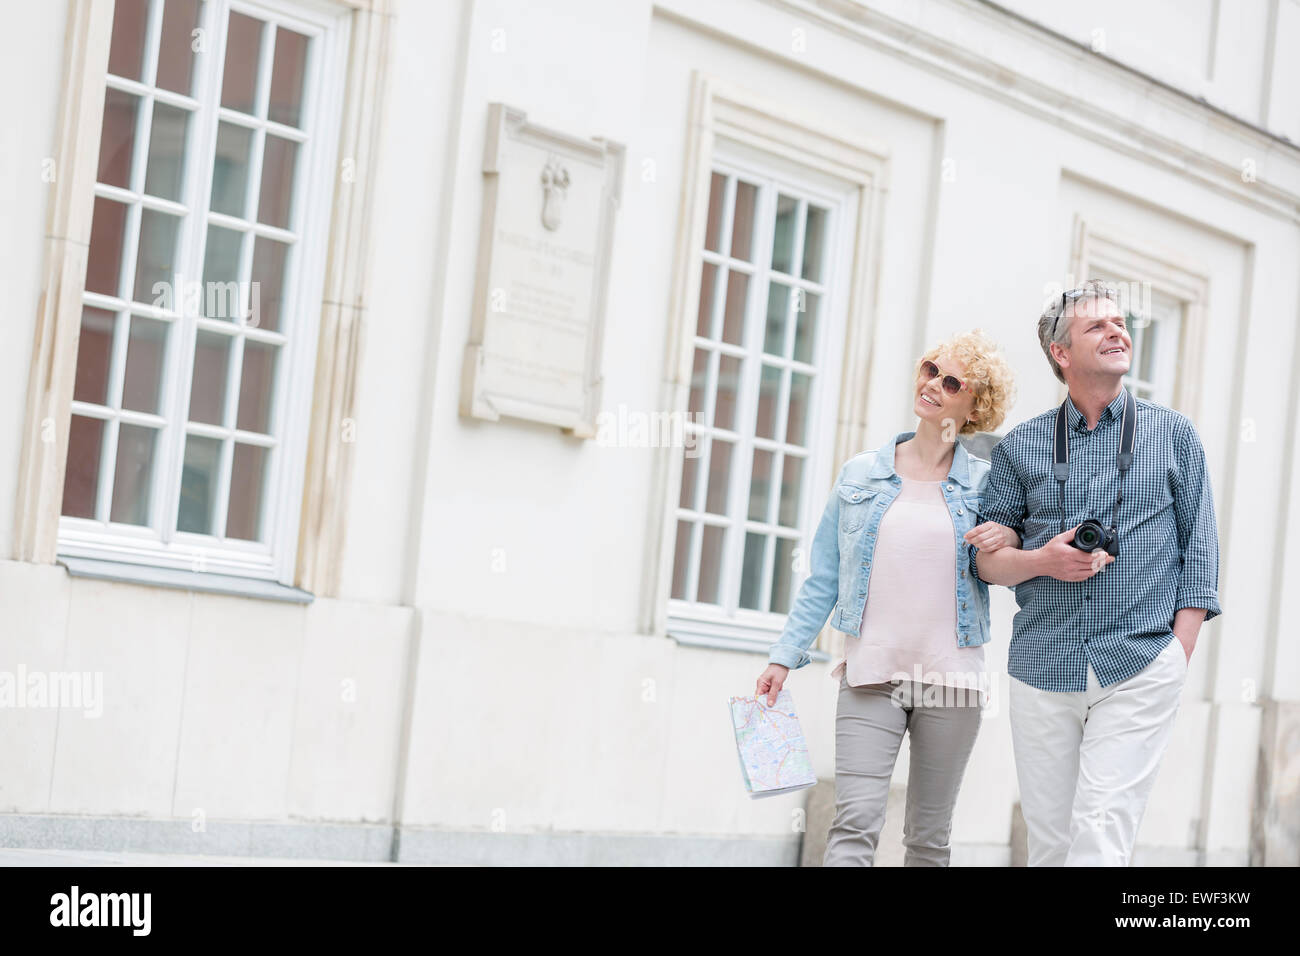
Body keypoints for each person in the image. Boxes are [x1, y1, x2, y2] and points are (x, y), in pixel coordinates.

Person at [968, 280, 1222, 866]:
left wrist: (1176, 656)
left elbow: (1200, 555)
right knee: (1052, 842)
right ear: (1061, 353)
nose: (1117, 332)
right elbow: (986, 560)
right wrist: (1042, 561)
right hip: (1042, 666)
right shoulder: (1022, 447)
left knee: (1100, 827)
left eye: (1119, 323)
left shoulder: (1174, 435)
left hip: (1139, 662)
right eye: (1097, 326)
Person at [758, 329, 1017, 866]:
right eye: (929, 369)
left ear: (975, 406)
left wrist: (1010, 536)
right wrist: (785, 656)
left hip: (952, 682)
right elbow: (824, 576)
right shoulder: (861, 474)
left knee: (927, 838)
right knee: (854, 824)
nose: (932, 386)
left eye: (951, 382)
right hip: (871, 674)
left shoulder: (988, 485)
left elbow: (1010, 558)